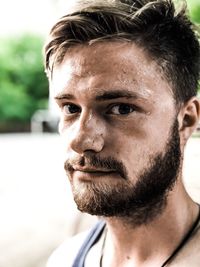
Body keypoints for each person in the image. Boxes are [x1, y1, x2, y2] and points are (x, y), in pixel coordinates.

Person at [44, 0, 200, 266]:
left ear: (186, 120)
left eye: (121, 109)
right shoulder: (65, 259)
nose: (80, 140)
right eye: (70, 108)